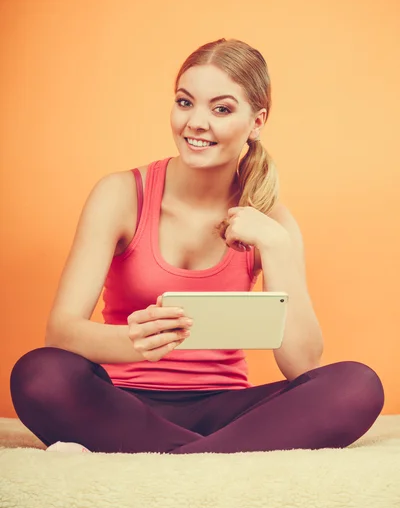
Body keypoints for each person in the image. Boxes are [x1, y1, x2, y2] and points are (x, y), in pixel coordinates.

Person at [10, 38, 384, 455]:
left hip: (226, 409)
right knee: (38, 374)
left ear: (256, 122)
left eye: (220, 109)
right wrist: (133, 342)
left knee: (358, 385)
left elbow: (302, 367)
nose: (195, 123)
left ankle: (173, 455)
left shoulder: (270, 222)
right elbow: (60, 333)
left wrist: (277, 247)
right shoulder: (120, 194)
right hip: (121, 402)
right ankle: (211, 456)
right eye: (185, 103)